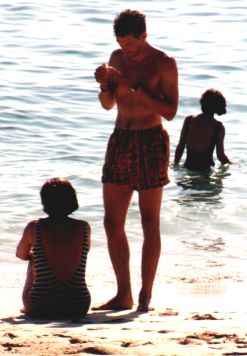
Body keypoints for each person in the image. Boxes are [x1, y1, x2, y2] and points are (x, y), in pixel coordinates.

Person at [94, 9, 178, 311]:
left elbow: (170, 111)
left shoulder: (164, 63)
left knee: (148, 220)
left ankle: (145, 295)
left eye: (130, 44)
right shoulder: (117, 58)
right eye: (120, 43)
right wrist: (105, 85)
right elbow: (107, 105)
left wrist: (137, 88)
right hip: (120, 138)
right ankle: (124, 293)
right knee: (111, 222)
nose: (125, 50)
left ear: (144, 36)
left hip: (150, 140)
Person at [16, 178, 91, 319]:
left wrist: (34, 256)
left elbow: (20, 254)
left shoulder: (35, 227)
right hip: (79, 305)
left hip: (42, 305)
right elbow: (85, 250)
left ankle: (28, 307)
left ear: (44, 201)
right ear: (72, 200)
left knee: (33, 258)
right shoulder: (84, 227)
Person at [174, 88, 231, 171]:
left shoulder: (189, 120)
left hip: (188, 167)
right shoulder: (218, 127)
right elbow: (220, 156)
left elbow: (181, 146)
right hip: (206, 171)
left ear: (202, 102)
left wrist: (176, 163)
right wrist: (231, 164)